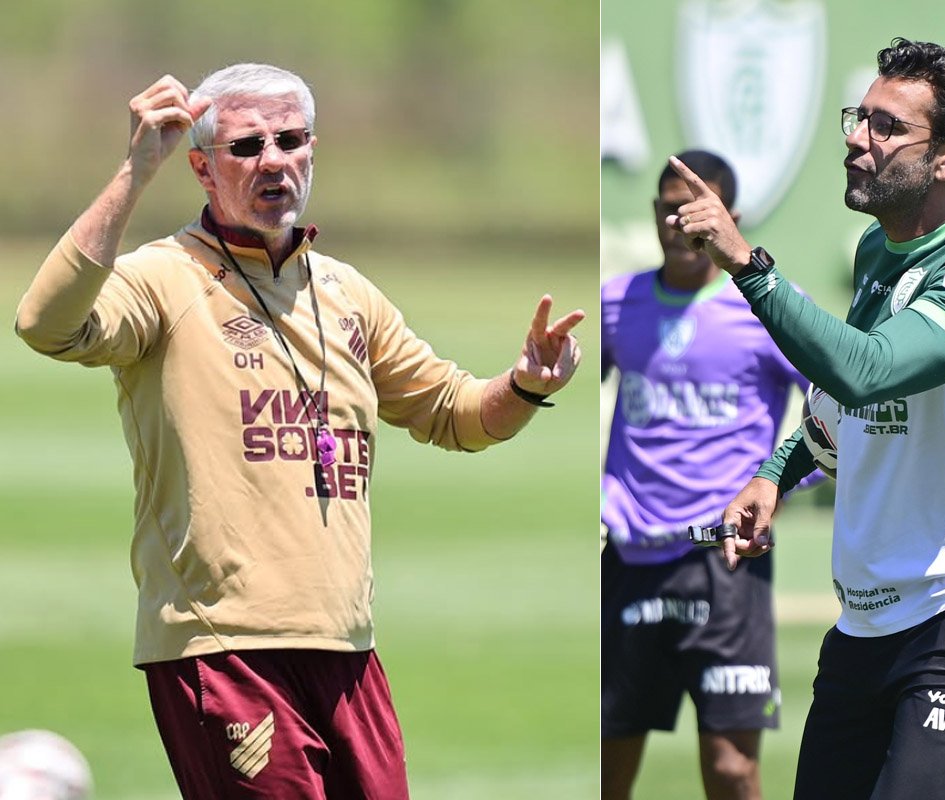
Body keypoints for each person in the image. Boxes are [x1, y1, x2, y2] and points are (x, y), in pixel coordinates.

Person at [14, 63, 582, 799]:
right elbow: (44, 323)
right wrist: (133, 172)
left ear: (312, 149)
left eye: (290, 139)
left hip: (347, 650)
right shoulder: (164, 277)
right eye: (247, 146)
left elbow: (455, 413)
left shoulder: (346, 292)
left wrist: (527, 384)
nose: (273, 160)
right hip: (226, 649)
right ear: (202, 168)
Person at [664, 39, 945, 799]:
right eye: (859, 117)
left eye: (885, 126)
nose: (856, 137)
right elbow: (854, 402)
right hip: (870, 621)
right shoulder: (881, 249)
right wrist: (776, 473)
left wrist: (749, 266)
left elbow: (866, 368)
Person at [601, 150, 823, 800]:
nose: (681, 220)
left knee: (731, 770)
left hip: (723, 563)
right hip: (630, 561)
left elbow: (840, 406)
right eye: (670, 206)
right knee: (608, 768)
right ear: (654, 215)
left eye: (698, 206)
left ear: (731, 218)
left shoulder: (766, 308)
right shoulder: (617, 302)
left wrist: (776, 484)